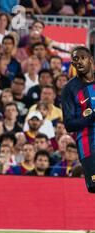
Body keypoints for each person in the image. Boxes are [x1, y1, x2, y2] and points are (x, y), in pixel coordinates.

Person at [62, 46, 95, 192]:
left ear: (91, 60)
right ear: (73, 64)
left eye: (83, 58)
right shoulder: (69, 89)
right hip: (89, 148)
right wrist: (92, 118)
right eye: (76, 59)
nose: (80, 62)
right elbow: (69, 125)